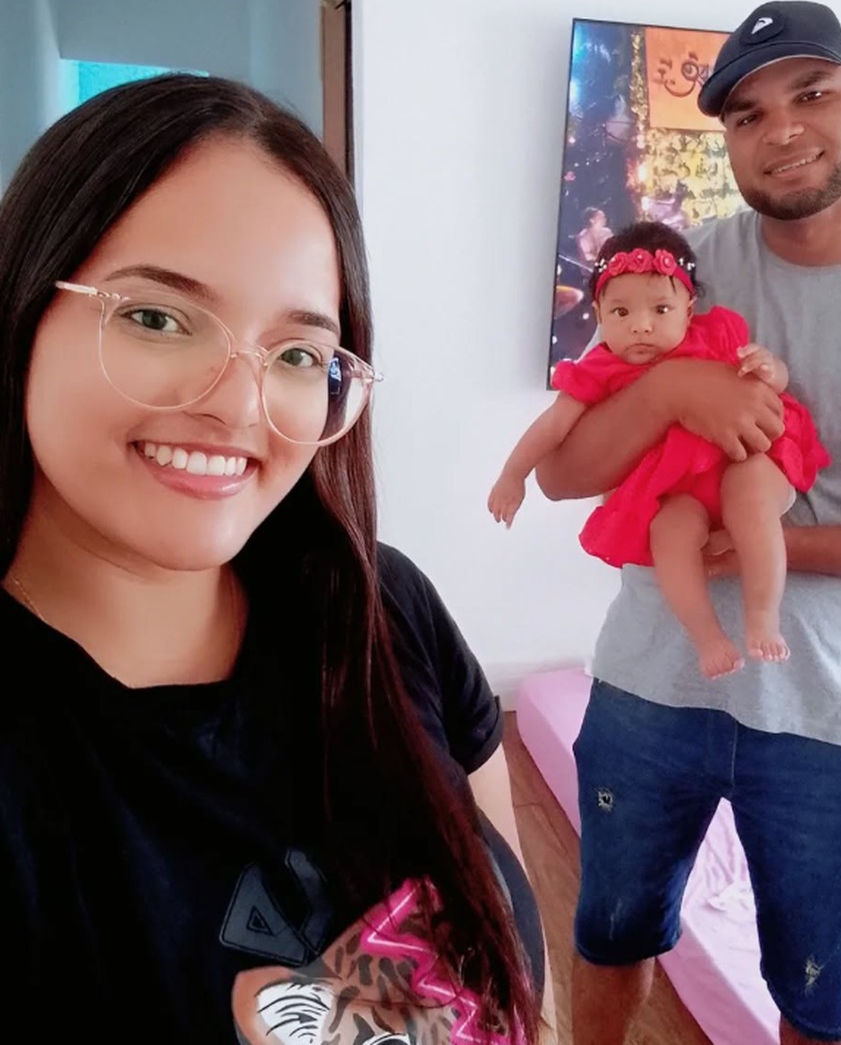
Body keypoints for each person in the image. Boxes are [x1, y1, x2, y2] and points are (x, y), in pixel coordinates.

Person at [0, 75, 549, 1044]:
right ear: (22, 304)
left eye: (297, 354)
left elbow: (505, 912)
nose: (237, 404)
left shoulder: (379, 604)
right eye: (158, 317)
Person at [535, 1, 841, 1045]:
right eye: (747, 113)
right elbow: (561, 474)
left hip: (833, 712)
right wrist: (667, 392)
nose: (781, 129)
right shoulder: (678, 273)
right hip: (649, 683)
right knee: (610, 940)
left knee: (822, 1005)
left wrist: (774, 549)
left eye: (812, 94)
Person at [488, 220, 829, 677]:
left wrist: (771, 369)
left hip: (745, 460)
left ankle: (763, 616)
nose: (641, 326)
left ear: (689, 310)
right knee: (668, 531)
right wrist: (513, 475)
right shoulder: (599, 369)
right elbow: (552, 428)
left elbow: (771, 384)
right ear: (599, 314)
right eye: (621, 312)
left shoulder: (715, 336)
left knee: (748, 496)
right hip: (679, 490)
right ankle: (708, 638)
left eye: (661, 309)